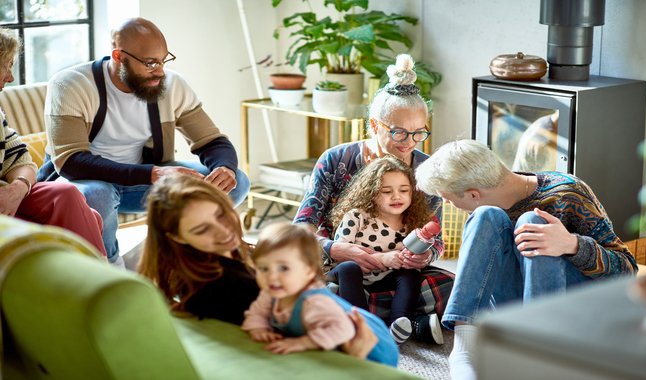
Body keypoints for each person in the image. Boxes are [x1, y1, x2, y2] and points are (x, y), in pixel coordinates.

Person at [414, 139, 638, 380]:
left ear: (473, 193)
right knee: (484, 216)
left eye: (447, 198)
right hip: (511, 311)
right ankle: (464, 348)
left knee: (532, 222)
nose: (448, 204)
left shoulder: (569, 193)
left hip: (569, 314)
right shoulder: (486, 211)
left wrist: (572, 244)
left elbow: (627, 271)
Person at [37, 17, 250, 267]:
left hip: (142, 181)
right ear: (118, 56)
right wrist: (153, 174)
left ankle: (161, 257)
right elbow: (71, 162)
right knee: (99, 194)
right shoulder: (71, 84)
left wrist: (223, 167)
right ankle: (112, 273)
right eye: (150, 63)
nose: (159, 71)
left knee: (237, 182)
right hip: (82, 184)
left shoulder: (172, 85)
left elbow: (212, 141)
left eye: (163, 60)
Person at [137, 174, 377, 359]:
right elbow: (299, 344)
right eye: (202, 229)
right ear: (176, 237)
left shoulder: (212, 265)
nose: (223, 231)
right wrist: (356, 357)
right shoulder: (225, 288)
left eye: (221, 214)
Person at [293, 54, 449, 340]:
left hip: (395, 270)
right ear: (376, 125)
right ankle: (409, 322)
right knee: (297, 277)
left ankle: (356, 314)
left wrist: (425, 255)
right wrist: (333, 248)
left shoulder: (426, 171)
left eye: (419, 133)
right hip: (342, 267)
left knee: (450, 285)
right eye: (400, 133)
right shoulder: (336, 159)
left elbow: (435, 238)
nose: (410, 143)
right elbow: (301, 227)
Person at [0, 27, 106, 256]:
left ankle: (100, 279)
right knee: (90, 217)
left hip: (10, 195)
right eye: (6, 65)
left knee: (66, 194)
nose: (10, 77)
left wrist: (17, 188)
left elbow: (21, 159)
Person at [241, 222, 398, 367]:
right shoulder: (272, 292)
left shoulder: (314, 302)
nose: (272, 277)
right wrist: (258, 328)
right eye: (264, 269)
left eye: (283, 268)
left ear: (308, 271)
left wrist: (303, 343)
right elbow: (257, 312)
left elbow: (343, 329)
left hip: (373, 347)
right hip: (336, 338)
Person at [329, 155, 442, 345]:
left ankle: (398, 323)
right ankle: (362, 326)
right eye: (386, 191)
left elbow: (437, 244)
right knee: (348, 268)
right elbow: (340, 255)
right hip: (352, 277)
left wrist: (417, 258)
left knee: (411, 274)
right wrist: (383, 259)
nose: (396, 196)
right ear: (371, 192)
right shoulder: (356, 217)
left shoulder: (413, 221)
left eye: (404, 190)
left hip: (386, 278)